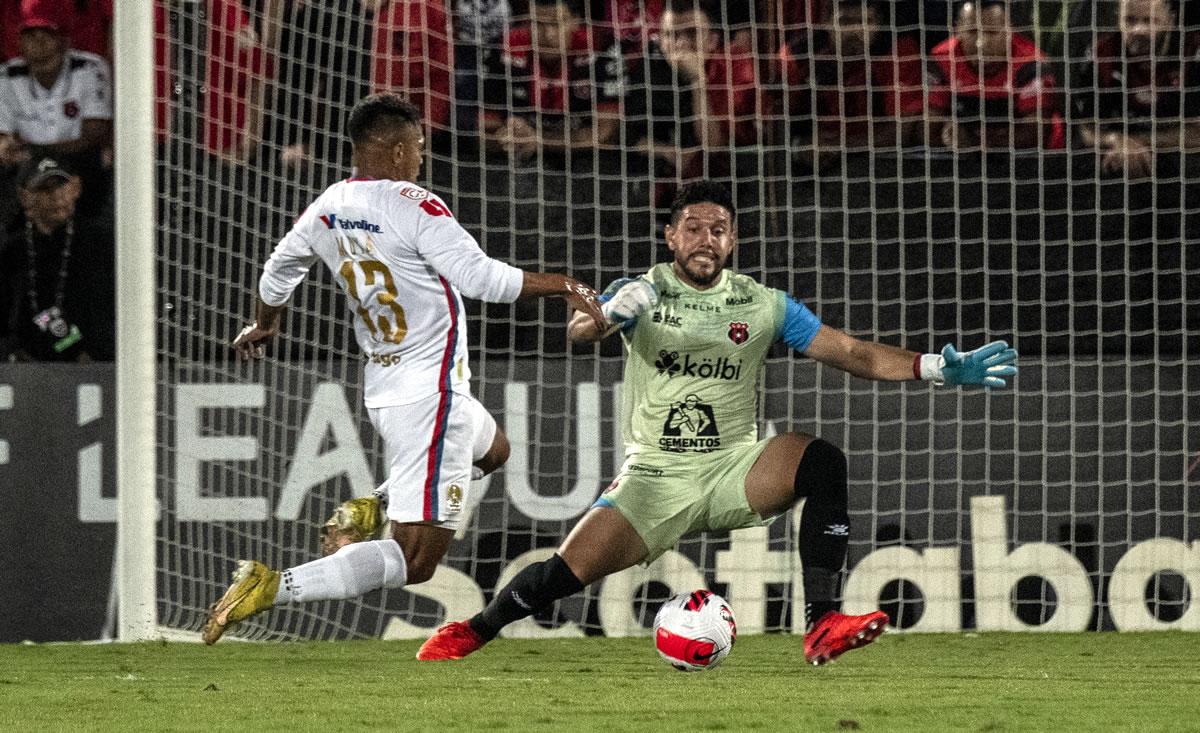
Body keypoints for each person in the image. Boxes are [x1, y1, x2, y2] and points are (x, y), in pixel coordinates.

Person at [417, 180, 1018, 665]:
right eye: (695, 228)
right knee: (559, 575)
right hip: (654, 476)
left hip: (734, 466)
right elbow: (579, 331)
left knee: (821, 460)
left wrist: (935, 367)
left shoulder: (762, 303)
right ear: (671, 235)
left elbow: (852, 353)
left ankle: (823, 624)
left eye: (720, 230)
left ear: (733, 242)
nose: (707, 239)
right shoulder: (642, 291)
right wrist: (609, 314)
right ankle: (474, 630)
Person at [201, 93, 607, 645]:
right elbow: (482, 280)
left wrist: (264, 323)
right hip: (431, 397)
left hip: (390, 388)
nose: (421, 157)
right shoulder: (415, 203)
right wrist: (564, 284)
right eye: (417, 147)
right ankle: (274, 587)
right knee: (416, 562)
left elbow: (277, 274)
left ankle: (374, 503)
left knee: (495, 451)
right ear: (394, 151)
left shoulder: (327, 205)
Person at [778, 0, 925, 168]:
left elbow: (903, 131)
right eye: (845, 22)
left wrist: (839, 146)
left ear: (878, 23)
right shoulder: (796, 57)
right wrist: (801, 144)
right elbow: (780, 125)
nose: (856, 31)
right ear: (826, 21)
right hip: (818, 165)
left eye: (866, 22)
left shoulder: (899, 50)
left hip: (885, 161)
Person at [0, 155, 114, 362]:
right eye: (45, 189)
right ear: (25, 196)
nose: (57, 196)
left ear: (76, 188)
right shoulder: (12, 250)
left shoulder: (102, 242)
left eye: (62, 186)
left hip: (92, 364)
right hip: (27, 368)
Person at [480, 0, 623, 164]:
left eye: (556, 24)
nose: (548, 35)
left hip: (587, 162)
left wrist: (540, 141)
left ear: (575, 21)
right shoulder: (502, 49)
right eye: (538, 23)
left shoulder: (602, 49)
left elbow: (606, 134)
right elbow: (484, 131)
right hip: (517, 159)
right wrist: (507, 136)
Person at [1072, 0, 1200, 177]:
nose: (1138, 30)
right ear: (1119, 20)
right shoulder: (1101, 54)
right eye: (1130, 20)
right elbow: (1086, 128)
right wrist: (1116, 140)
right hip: (1117, 155)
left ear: (1171, 20)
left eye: (1149, 21)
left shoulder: (1193, 53)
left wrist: (1136, 143)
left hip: (1181, 160)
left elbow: (1197, 134)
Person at [926, 0, 1065, 151]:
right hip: (964, 158)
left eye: (992, 32)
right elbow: (926, 129)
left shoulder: (1031, 64)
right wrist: (946, 133)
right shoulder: (942, 59)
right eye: (972, 31)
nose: (981, 43)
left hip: (1031, 160)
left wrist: (975, 141)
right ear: (957, 29)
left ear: (1009, 30)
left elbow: (1035, 134)